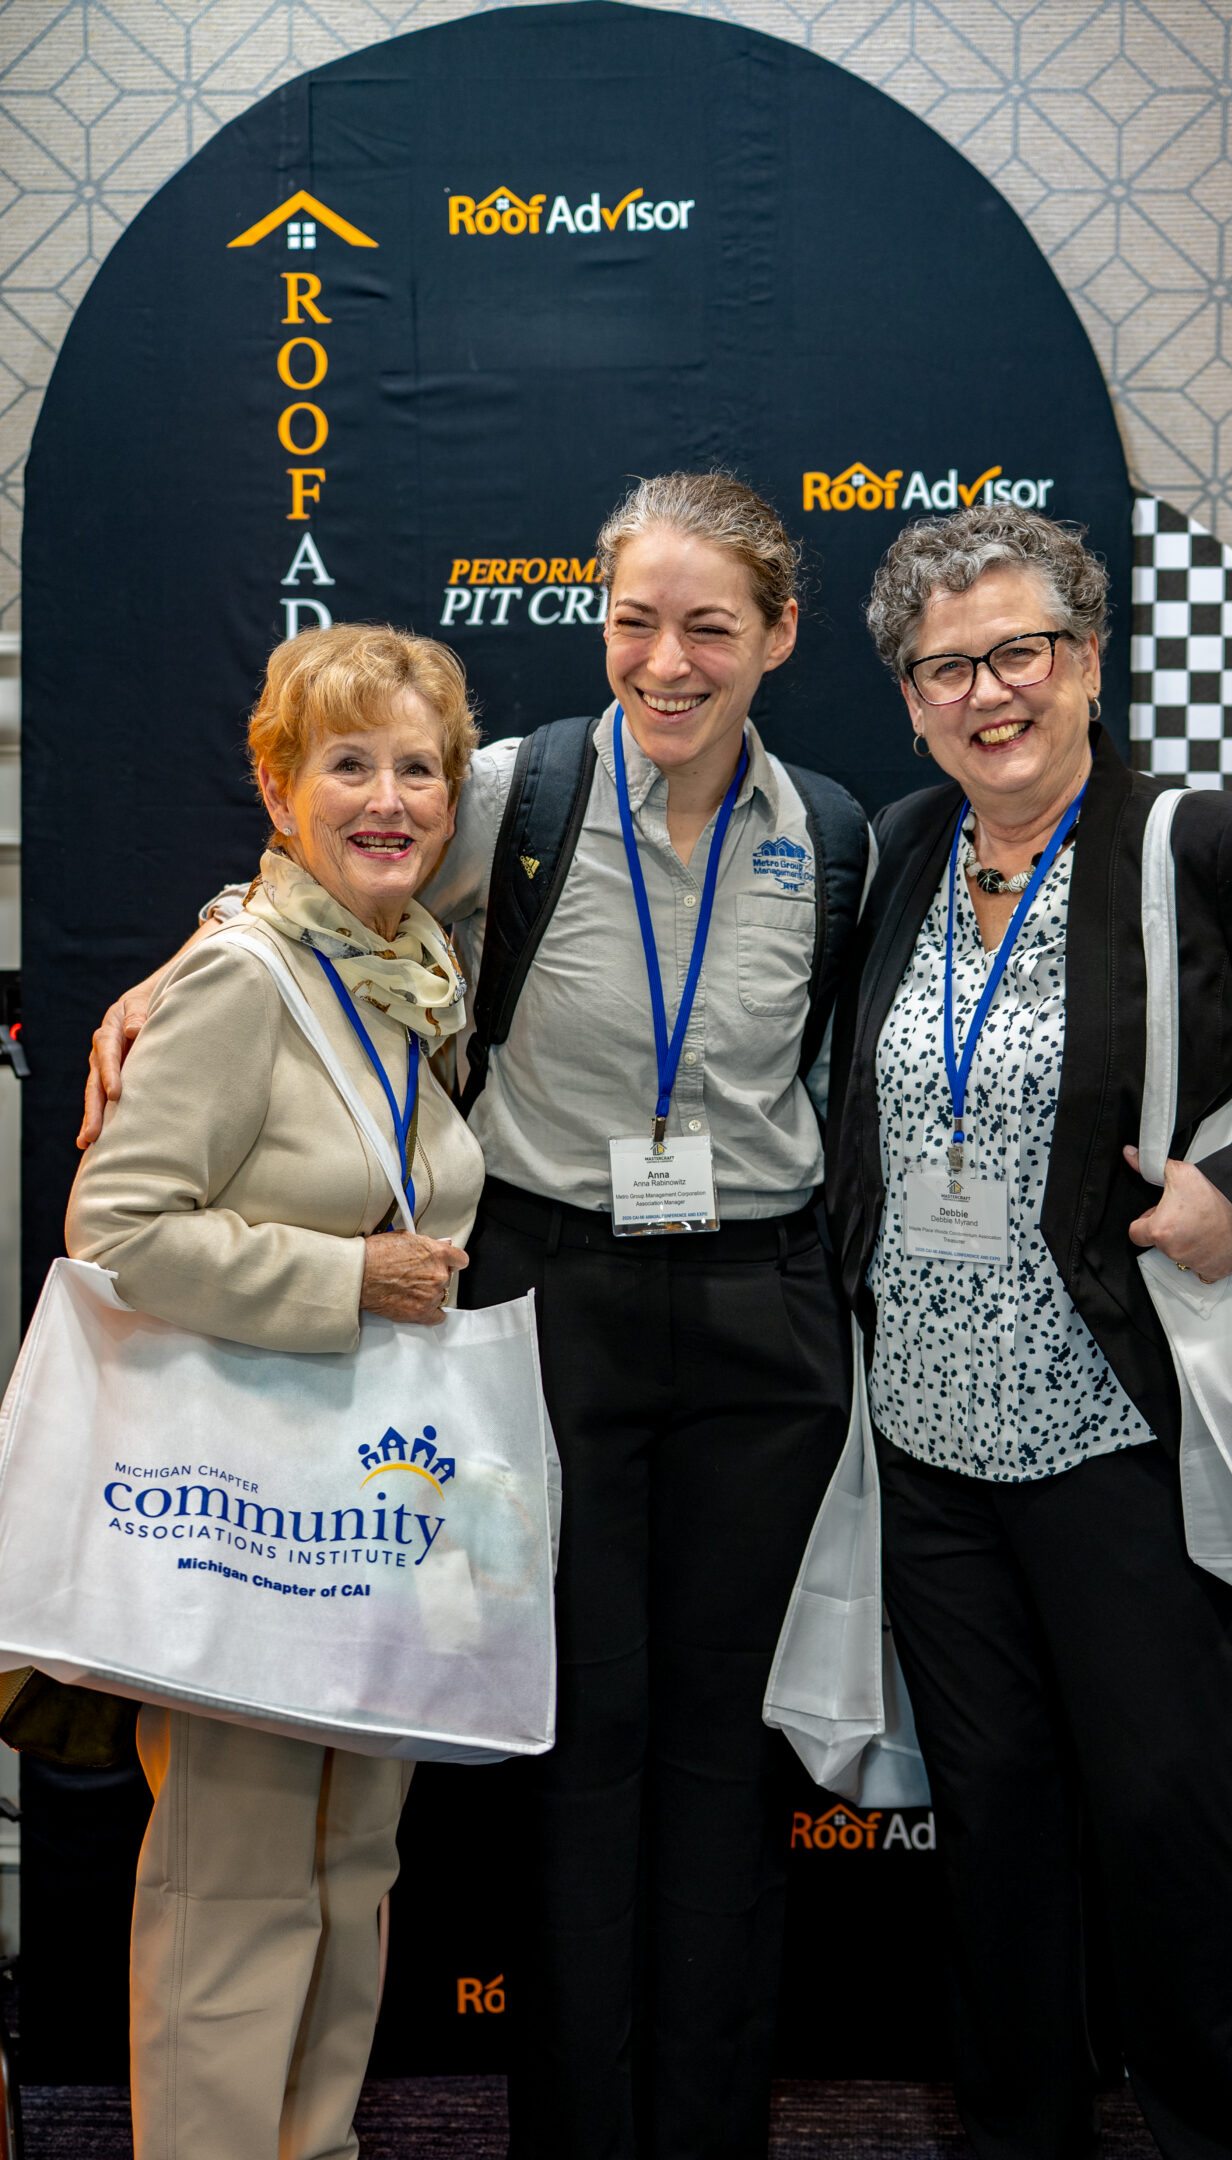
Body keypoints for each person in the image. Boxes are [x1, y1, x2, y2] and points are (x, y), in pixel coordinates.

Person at [79, 472, 873, 2160]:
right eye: (634, 620)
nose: (667, 660)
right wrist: (183, 959)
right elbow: (328, 900)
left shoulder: (839, 833)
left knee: (726, 1753)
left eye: (709, 625)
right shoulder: (511, 794)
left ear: (779, 637)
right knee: (567, 1737)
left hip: (759, 1312)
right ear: (598, 625)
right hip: (547, 1304)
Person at [823, 503, 1232, 2160]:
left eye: (1019, 652)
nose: (987, 693)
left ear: (1088, 664)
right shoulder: (892, 859)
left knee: (1164, 1816)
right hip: (930, 1444)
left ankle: (1215, 2131)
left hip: (1120, 1434)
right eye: (945, 667)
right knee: (997, 1826)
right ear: (908, 699)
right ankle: (1018, 2130)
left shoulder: (1199, 849)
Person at [67, 623, 486, 2160]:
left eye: (419, 767)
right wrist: (342, 1279)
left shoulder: (403, 977)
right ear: (277, 783)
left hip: (358, 1506)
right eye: (350, 765)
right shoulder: (247, 977)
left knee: (349, 1866)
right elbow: (116, 1229)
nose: (390, 799)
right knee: (233, 1878)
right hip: (234, 1502)